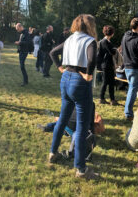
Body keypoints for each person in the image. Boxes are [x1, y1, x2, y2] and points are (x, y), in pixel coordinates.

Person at [48, 14, 99, 179]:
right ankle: (81, 169)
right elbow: (92, 59)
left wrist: (59, 68)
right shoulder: (89, 41)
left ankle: (52, 153)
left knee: (62, 119)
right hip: (79, 82)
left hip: (66, 79)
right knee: (82, 126)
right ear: (90, 26)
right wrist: (89, 75)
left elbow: (53, 52)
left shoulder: (70, 39)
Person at [121, 17, 138, 121]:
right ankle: (128, 113)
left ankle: (128, 111)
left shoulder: (125, 36)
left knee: (131, 89)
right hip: (136, 67)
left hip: (127, 66)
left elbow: (122, 50)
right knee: (132, 90)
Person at [98, 25, 119, 106]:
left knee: (111, 82)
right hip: (106, 65)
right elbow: (112, 52)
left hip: (107, 64)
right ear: (112, 33)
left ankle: (112, 99)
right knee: (106, 82)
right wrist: (115, 49)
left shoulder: (105, 41)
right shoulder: (105, 42)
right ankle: (102, 98)